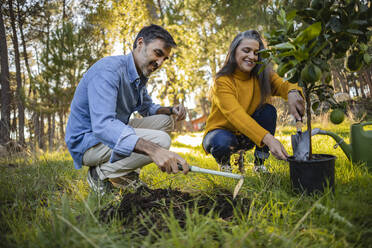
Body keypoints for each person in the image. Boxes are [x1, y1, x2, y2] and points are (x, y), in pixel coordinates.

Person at [65, 24, 190, 195]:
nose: (160, 63)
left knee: (166, 121)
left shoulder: (139, 76)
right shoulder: (109, 71)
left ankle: (123, 174)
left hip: (114, 129)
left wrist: (171, 110)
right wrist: (154, 150)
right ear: (140, 43)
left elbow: (147, 108)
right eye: (158, 53)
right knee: (161, 142)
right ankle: (99, 173)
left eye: (164, 59)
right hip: (89, 140)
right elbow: (103, 125)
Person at [202, 30, 305, 173]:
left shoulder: (262, 76)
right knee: (222, 142)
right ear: (234, 51)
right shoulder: (222, 81)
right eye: (246, 50)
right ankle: (224, 164)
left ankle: (259, 165)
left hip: (247, 136)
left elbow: (284, 84)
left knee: (268, 111)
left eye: (256, 53)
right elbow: (236, 115)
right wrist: (269, 139)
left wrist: (293, 92)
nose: (252, 56)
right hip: (220, 134)